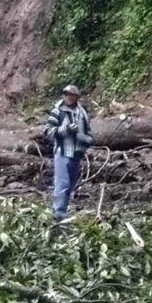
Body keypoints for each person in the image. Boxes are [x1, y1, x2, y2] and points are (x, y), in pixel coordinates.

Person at [43, 85, 93, 221]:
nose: (68, 97)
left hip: (77, 153)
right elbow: (48, 131)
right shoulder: (58, 111)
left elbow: (89, 133)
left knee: (71, 184)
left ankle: (63, 209)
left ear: (77, 97)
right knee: (62, 184)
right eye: (66, 94)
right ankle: (59, 215)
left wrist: (87, 141)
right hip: (63, 151)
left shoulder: (82, 113)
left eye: (71, 95)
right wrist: (65, 130)